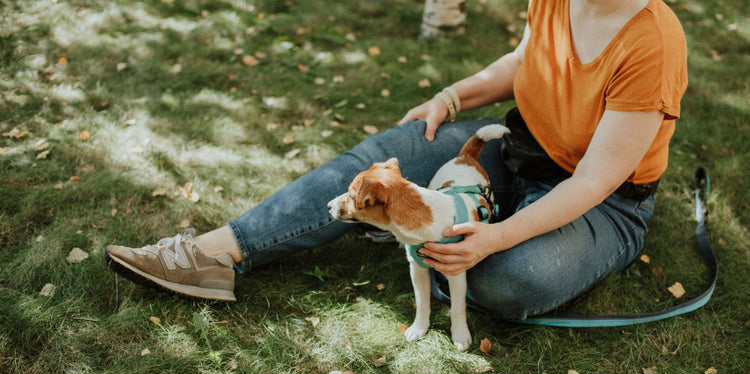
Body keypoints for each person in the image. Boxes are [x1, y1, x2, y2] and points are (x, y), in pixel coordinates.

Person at [105, 0, 687, 320]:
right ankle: (213, 255)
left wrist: (497, 238)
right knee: (390, 153)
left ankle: (417, 228)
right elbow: (526, 59)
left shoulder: (652, 41)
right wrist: (450, 99)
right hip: (515, 152)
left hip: (601, 206)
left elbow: (591, 181)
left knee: (505, 279)